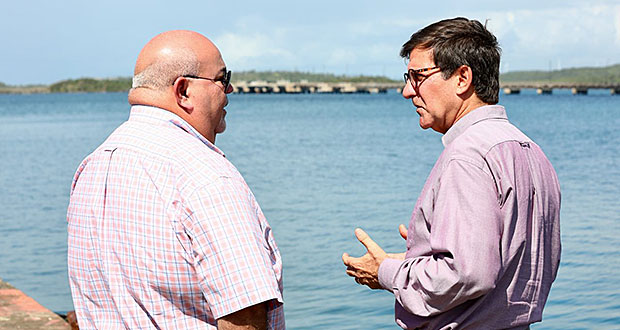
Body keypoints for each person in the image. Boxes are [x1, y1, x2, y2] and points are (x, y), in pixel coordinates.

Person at [342, 17, 561, 329]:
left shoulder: (468, 156)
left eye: (418, 76)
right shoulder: (531, 152)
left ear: (462, 78)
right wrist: (420, 256)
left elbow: (467, 274)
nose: (407, 91)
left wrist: (384, 271)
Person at [67, 30, 284, 330]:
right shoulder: (207, 177)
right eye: (223, 78)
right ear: (183, 90)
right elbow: (243, 319)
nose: (231, 89)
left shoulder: (92, 167)